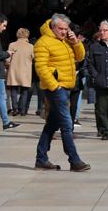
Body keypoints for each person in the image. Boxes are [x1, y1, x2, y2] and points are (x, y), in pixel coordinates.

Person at [34, 13, 90, 171]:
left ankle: (41, 158)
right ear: (53, 27)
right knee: (67, 124)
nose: (64, 31)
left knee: (52, 124)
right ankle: (74, 160)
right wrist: (54, 85)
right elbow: (41, 67)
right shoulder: (43, 42)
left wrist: (75, 42)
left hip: (67, 86)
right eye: (61, 29)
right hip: (56, 87)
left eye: (66, 29)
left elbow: (80, 57)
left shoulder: (66, 41)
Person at [6, 28, 35, 116]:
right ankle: (22, 110)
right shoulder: (30, 46)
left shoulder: (12, 45)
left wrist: (7, 65)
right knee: (24, 91)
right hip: (25, 71)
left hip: (13, 70)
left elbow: (8, 59)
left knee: (14, 90)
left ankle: (15, 108)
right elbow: (34, 58)